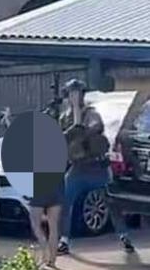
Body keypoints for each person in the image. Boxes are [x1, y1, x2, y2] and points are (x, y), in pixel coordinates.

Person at [57, 79, 134, 256]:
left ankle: (124, 237)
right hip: (78, 168)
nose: (75, 97)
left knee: (111, 203)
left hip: (98, 167)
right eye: (71, 94)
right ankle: (64, 241)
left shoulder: (91, 113)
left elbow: (89, 129)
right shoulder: (64, 117)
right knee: (65, 202)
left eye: (78, 93)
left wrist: (78, 115)